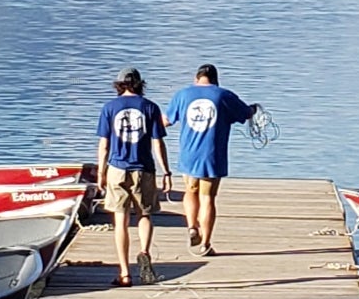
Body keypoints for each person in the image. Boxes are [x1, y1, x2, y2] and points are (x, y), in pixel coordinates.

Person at [164, 64, 262, 255]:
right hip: (212, 155)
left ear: (196, 78)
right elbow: (245, 113)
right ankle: (205, 244)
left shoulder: (182, 95)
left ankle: (192, 227)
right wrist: (254, 109)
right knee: (207, 197)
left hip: (188, 154)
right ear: (216, 80)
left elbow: (167, 120)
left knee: (190, 191)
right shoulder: (223, 95)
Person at [94, 68, 169, 286]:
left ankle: (124, 273)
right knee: (144, 215)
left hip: (117, 168)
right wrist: (166, 171)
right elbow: (158, 142)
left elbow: (104, 144)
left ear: (118, 85)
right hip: (144, 168)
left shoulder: (109, 108)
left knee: (121, 221)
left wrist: (101, 172)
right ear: (139, 84)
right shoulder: (150, 107)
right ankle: (144, 252)